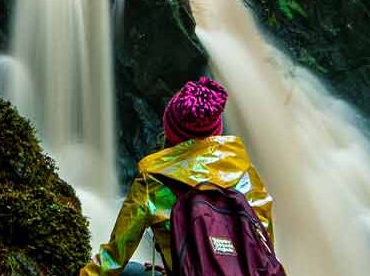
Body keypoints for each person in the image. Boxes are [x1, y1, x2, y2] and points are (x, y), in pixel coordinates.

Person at [81, 77, 278, 276]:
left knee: (130, 271)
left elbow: (113, 259)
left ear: (169, 130)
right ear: (216, 130)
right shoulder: (244, 172)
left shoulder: (154, 183)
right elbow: (264, 249)